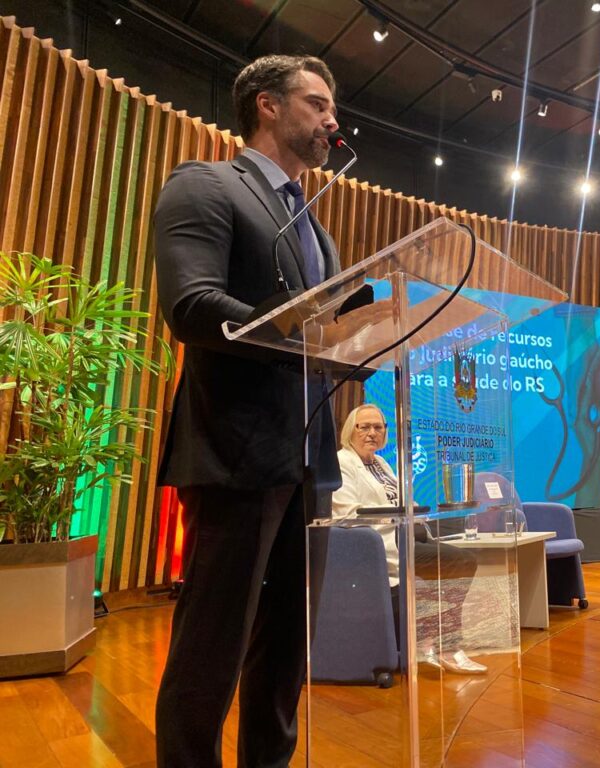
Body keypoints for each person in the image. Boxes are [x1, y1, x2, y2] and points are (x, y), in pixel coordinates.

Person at [153, 55, 344, 767]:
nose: (333, 120)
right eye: (318, 103)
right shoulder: (205, 184)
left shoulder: (316, 230)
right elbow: (193, 306)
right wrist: (309, 332)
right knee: (210, 656)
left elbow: (322, 335)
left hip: (310, 465)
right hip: (235, 455)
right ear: (267, 105)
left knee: (285, 657)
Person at [331, 404, 486, 674]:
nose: (371, 433)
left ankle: (433, 641)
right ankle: (446, 645)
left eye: (378, 427)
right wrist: (398, 515)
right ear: (350, 431)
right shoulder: (342, 463)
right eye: (364, 427)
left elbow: (402, 500)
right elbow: (348, 512)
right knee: (462, 562)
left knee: (457, 565)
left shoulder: (380, 462)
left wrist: (415, 509)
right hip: (384, 542)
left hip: (412, 535)